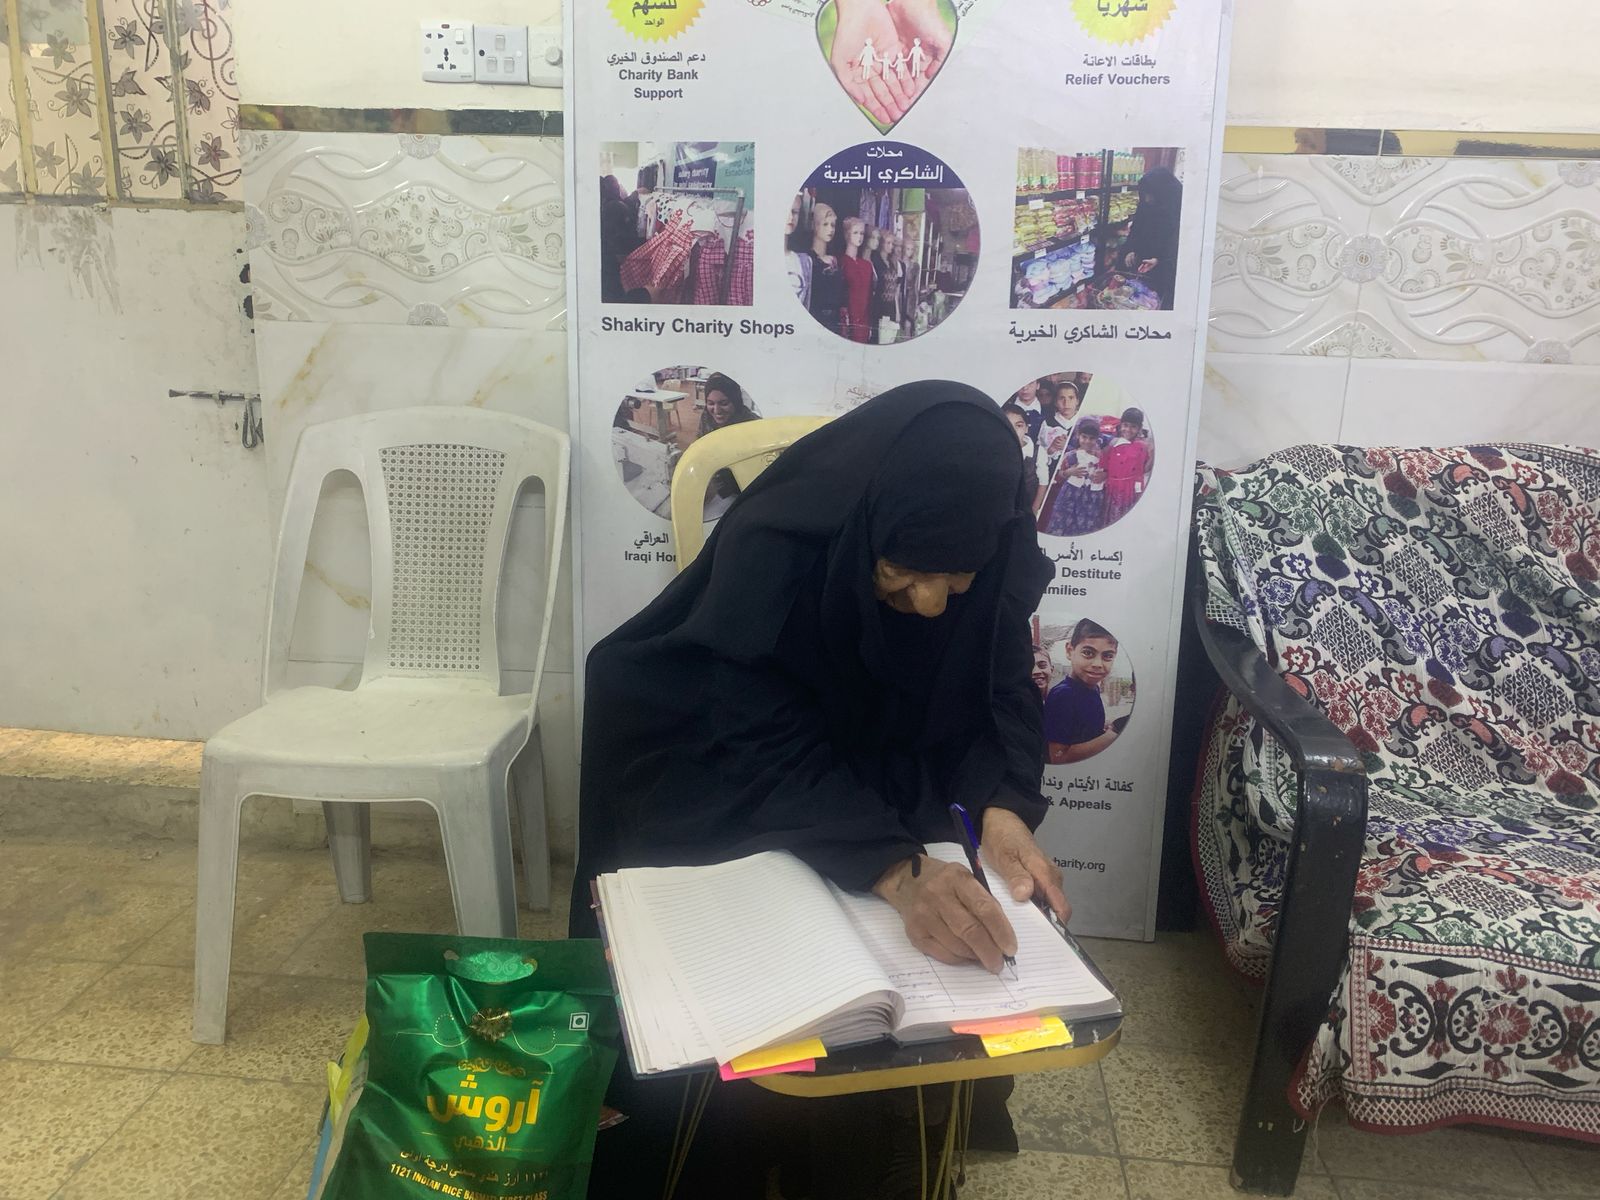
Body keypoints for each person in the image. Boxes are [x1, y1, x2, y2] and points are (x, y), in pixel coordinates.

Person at [573, 383, 1067, 1198]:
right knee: (742, 955)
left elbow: (1001, 684)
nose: (930, 605)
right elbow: (748, 725)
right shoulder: (779, 542)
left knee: (939, 939)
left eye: (956, 578)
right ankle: (730, 1135)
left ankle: (884, 1134)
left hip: (885, 752)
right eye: (900, 570)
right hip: (731, 756)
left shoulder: (995, 538)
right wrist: (894, 869)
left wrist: (1005, 804)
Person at [1043, 619, 1123, 763]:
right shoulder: (1063, 695)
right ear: (1069, 651)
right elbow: (1057, 756)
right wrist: (1113, 734)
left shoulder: (1092, 688)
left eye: (1108, 656)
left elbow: (1081, 728)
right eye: (1088, 653)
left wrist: (1105, 727)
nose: (1098, 664)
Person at [1114, 167, 1182, 308]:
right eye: (1145, 194)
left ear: (1163, 193)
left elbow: (1177, 245)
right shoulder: (1146, 204)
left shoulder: (1178, 209)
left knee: (1155, 301)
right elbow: (1136, 229)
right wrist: (1130, 249)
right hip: (1140, 260)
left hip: (1163, 269)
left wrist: (1159, 260)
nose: (1147, 199)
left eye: (1151, 195)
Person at [698, 372, 758, 513]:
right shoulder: (706, 418)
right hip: (720, 486)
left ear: (735, 401)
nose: (716, 410)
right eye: (710, 403)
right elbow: (700, 445)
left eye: (724, 403)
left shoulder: (753, 426)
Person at [1041, 417, 1107, 537]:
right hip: (1069, 496)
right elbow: (1059, 474)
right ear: (1078, 435)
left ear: (1097, 438)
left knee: (1085, 528)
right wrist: (1069, 472)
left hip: (1091, 498)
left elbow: (1108, 473)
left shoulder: (1102, 457)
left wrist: (1104, 475)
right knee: (1062, 524)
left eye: (1092, 438)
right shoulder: (1070, 455)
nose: (1087, 441)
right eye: (1084, 437)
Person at [1100, 406, 1150, 525]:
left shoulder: (1142, 446)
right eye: (1125, 425)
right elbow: (1105, 463)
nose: (1128, 429)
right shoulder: (1113, 443)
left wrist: (1152, 454)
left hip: (1130, 490)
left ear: (1139, 428)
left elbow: (1143, 470)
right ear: (1121, 425)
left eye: (1133, 426)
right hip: (1112, 488)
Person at [599, 175, 640, 303]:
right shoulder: (616, 206)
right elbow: (623, 234)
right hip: (617, 255)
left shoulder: (605, 205)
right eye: (616, 186)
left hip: (609, 255)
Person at [807, 201, 845, 334]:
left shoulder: (834, 261)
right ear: (815, 225)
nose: (830, 229)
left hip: (834, 323)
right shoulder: (808, 260)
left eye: (832, 225)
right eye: (825, 224)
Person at [840, 216, 875, 343]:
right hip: (848, 322)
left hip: (864, 321)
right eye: (855, 232)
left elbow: (869, 297)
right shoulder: (842, 262)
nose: (859, 236)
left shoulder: (866, 265)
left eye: (861, 233)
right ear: (847, 234)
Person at [785, 194, 813, 310]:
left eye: (795, 212)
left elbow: (806, 306)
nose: (791, 217)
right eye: (786, 211)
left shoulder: (805, 261)